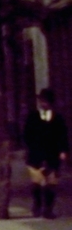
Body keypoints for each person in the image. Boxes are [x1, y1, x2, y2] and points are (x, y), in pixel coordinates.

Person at [23, 88, 69, 218]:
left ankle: (48, 209)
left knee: (51, 183)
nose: (43, 104)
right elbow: (27, 135)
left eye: (46, 102)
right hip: (35, 154)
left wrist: (63, 150)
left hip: (52, 154)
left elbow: (62, 135)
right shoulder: (33, 117)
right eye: (41, 101)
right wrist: (29, 148)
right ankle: (37, 205)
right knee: (36, 183)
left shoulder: (57, 118)